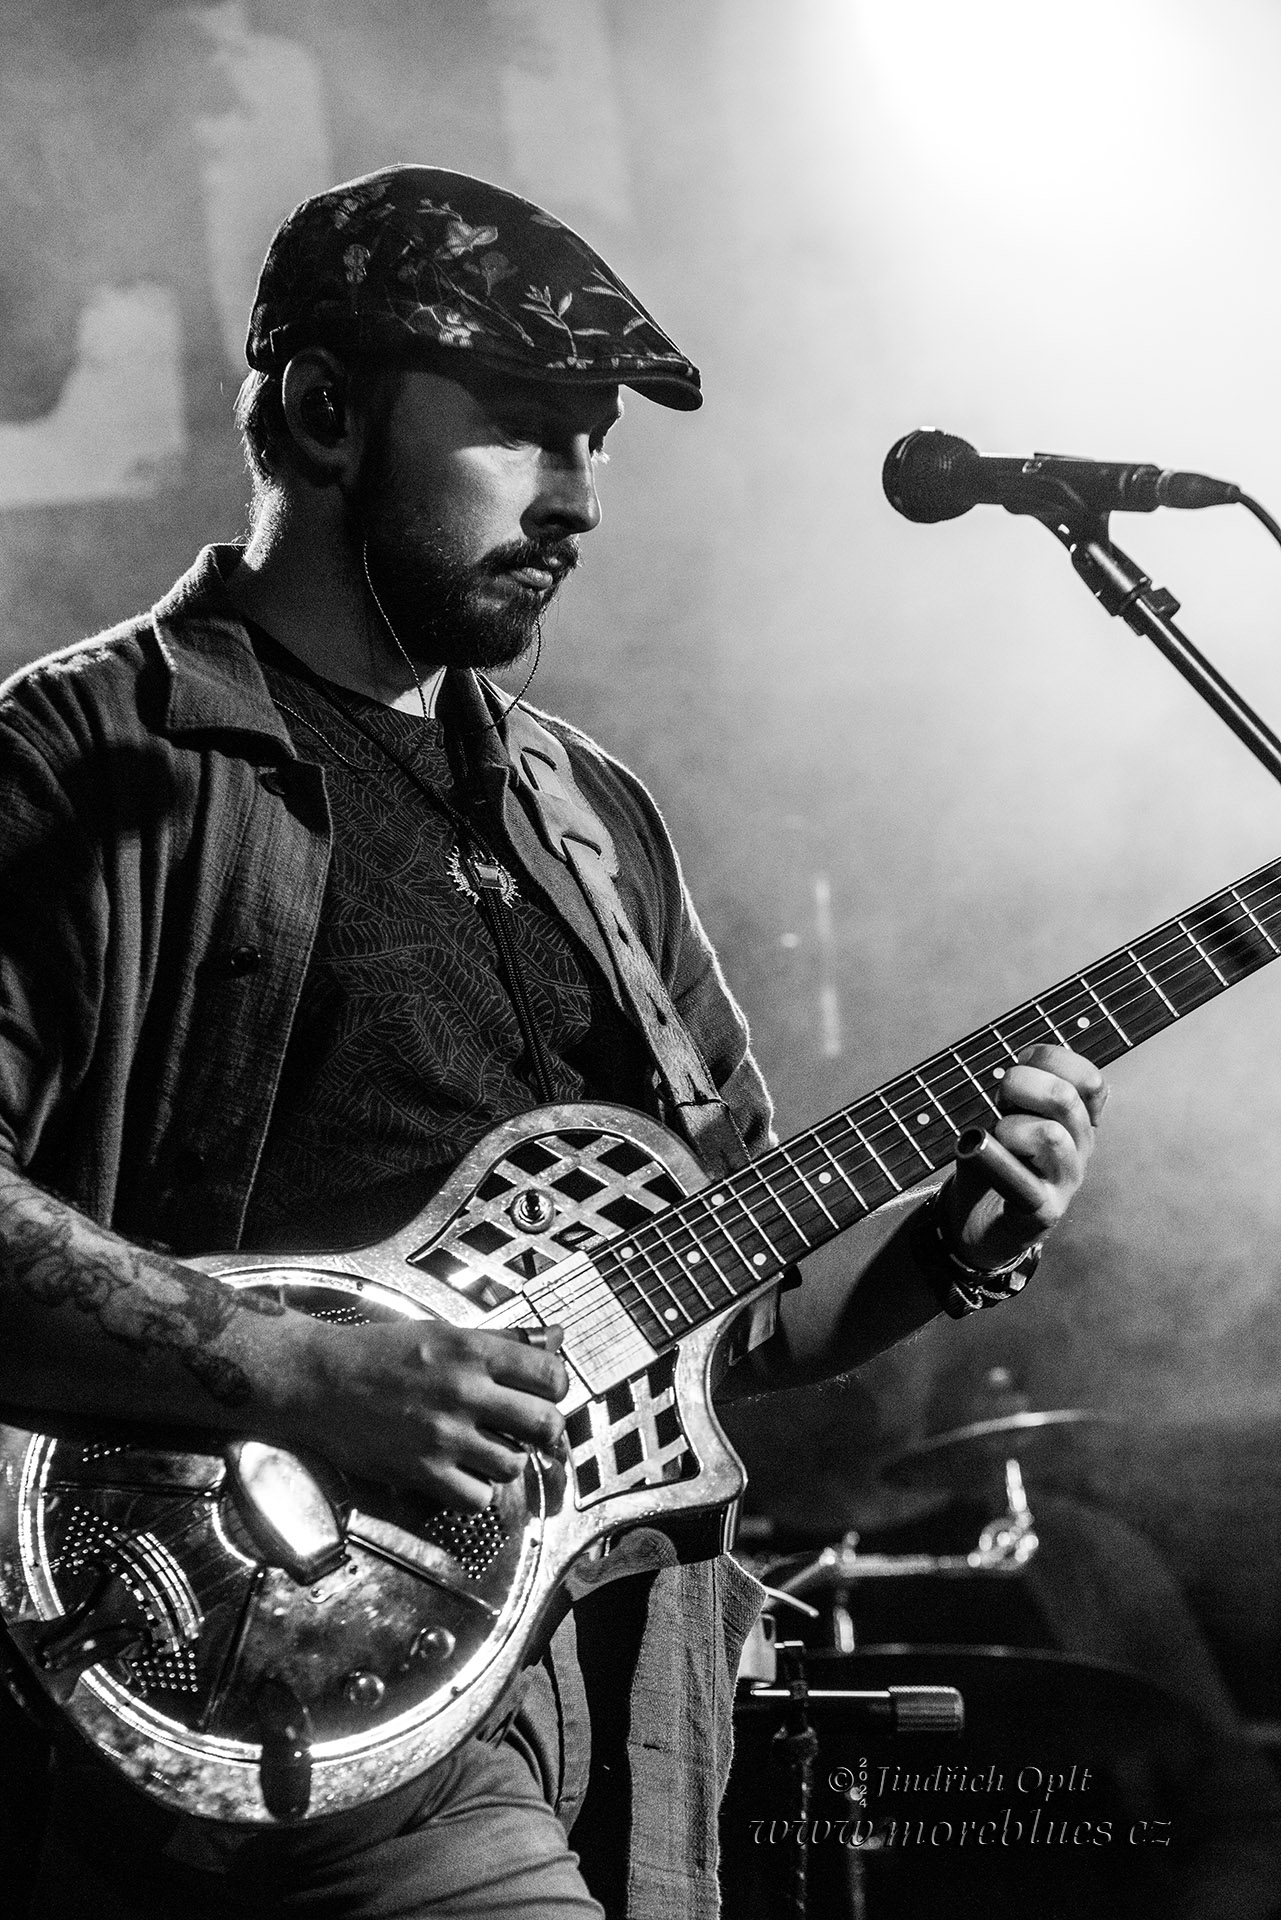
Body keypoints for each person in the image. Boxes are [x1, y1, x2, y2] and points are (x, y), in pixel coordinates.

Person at [0, 166, 1105, 1919]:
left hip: (609, 1697)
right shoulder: (83, 763)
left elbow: (714, 1315)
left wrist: (944, 1253)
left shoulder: (590, 816)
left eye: (595, 441)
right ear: (324, 409)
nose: (579, 496)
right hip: (249, 1657)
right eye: (522, 428)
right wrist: (293, 1375)